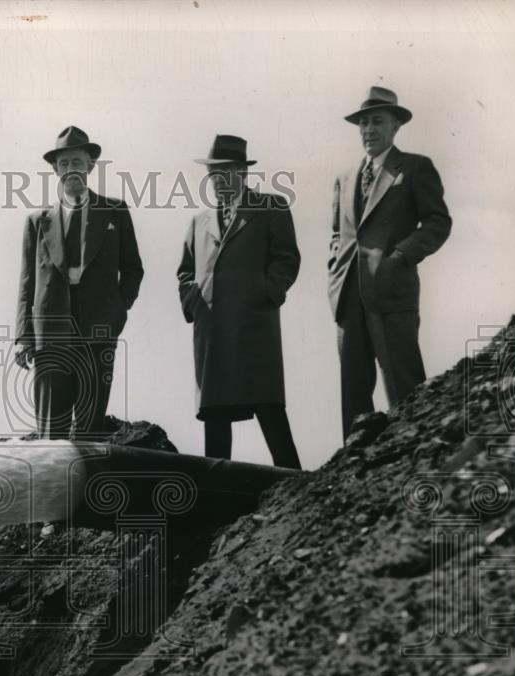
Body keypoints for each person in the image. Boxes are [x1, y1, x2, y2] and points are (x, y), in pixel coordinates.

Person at [328, 86, 452, 439]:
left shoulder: (414, 167)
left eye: (377, 122)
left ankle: (415, 452)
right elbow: (337, 233)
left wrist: (400, 255)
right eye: (363, 123)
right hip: (348, 295)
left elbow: (438, 222)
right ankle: (353, 465)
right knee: (353, 389)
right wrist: (334, 271)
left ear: (396, 126)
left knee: (403, 383)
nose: (369, 130)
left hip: (392, 291)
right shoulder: (345, 177)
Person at [177, 134, 302, 468]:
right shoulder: (199, 221)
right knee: (215, 415)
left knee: (269, 407)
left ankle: (298, 486)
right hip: (212, 332)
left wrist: (267, 293)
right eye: (213, 174)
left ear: (243, 173)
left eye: (226, 171)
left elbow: (287, 259)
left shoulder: (271, 207)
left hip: (253, 327)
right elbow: (185, 271)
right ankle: (218, 505)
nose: (218, 180)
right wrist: (193, 302)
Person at [15, 125, 144, 439]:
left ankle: (84, 487)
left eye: (76, 161)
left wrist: (116, 313)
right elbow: (26, 284)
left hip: (98, 335)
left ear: (90, 165)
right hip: (50, 337)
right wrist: (23, 337)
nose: (70, 169)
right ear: (55, 170)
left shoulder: (115, 211)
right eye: (63, 164)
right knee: (50, 433)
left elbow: (133, 269)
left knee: (89, 430)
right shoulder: (37, 221)